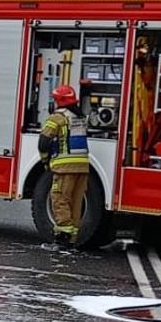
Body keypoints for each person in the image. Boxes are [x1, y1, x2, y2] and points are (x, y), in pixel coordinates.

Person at [39, 84, 91, 246]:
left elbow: (44, 141)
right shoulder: (80, 117)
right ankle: (72, 239)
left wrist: (45, 160)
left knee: (60, 199)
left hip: (64, 167)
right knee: (76, 202)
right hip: (83, 166)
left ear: (59, 100)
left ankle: (62, 239)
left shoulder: (57, 118)